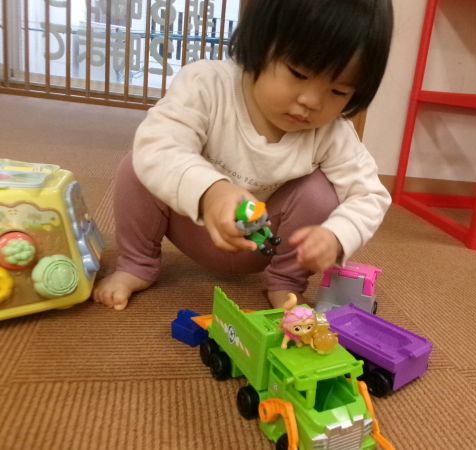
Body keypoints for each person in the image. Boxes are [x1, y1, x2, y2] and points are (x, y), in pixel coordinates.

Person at [93, 0, 394, 311]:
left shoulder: (332, 131)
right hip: (193, 225)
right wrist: (211, 192)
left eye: (339, 91)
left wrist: (336, 236)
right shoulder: (207, 85)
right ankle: (137, 263)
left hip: (264, 244)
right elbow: (157, 144)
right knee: (139, 164)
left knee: (320, 194)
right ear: (259, 43)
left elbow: (370, 195)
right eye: (298, 73)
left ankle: (286, 283)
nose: (311, 101)